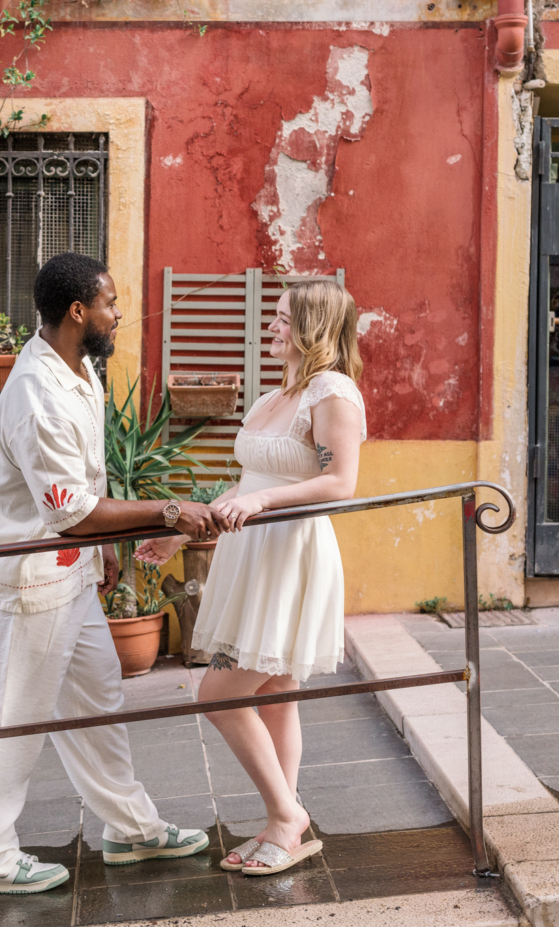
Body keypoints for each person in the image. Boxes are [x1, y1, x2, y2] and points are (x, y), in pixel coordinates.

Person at [0, 252, 230, 895]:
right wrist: (166, 511)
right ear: (78, 311)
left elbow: (86, 476)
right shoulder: (36, 393)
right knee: (12, 717)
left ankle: (129, 828)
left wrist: (104, 546)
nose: (119, 313)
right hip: (27, 579)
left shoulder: (80, 369)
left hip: (71, 571)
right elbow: (72, 511)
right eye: (110, 302)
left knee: (97, 699)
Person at [138, 279, 366, 878]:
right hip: (252, 557)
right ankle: (283, 824)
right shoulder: (275, 395)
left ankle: (286, 817)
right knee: (274, 696)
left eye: (284, 319)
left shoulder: (333, 392)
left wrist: (263, 508)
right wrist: (185, 529)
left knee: (219, 692)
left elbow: (341, 484)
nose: (272, 327)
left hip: (291, 557)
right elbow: (250, 485)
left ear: (314, 329)